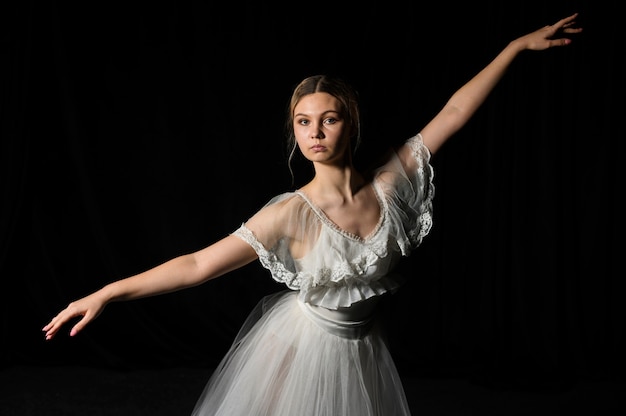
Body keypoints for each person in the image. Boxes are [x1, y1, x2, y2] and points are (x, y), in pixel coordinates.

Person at [43, 13, 582, 416]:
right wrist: (106, 292)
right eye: (304, 123)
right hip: (299, 352)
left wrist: (514, 47)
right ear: (294, 133)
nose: (316, 133)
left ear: (351, 125)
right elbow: (196, 265)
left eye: (329, 120)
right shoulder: (290, 214)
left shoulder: (392, 184)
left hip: (363, 350)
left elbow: (456, 112)